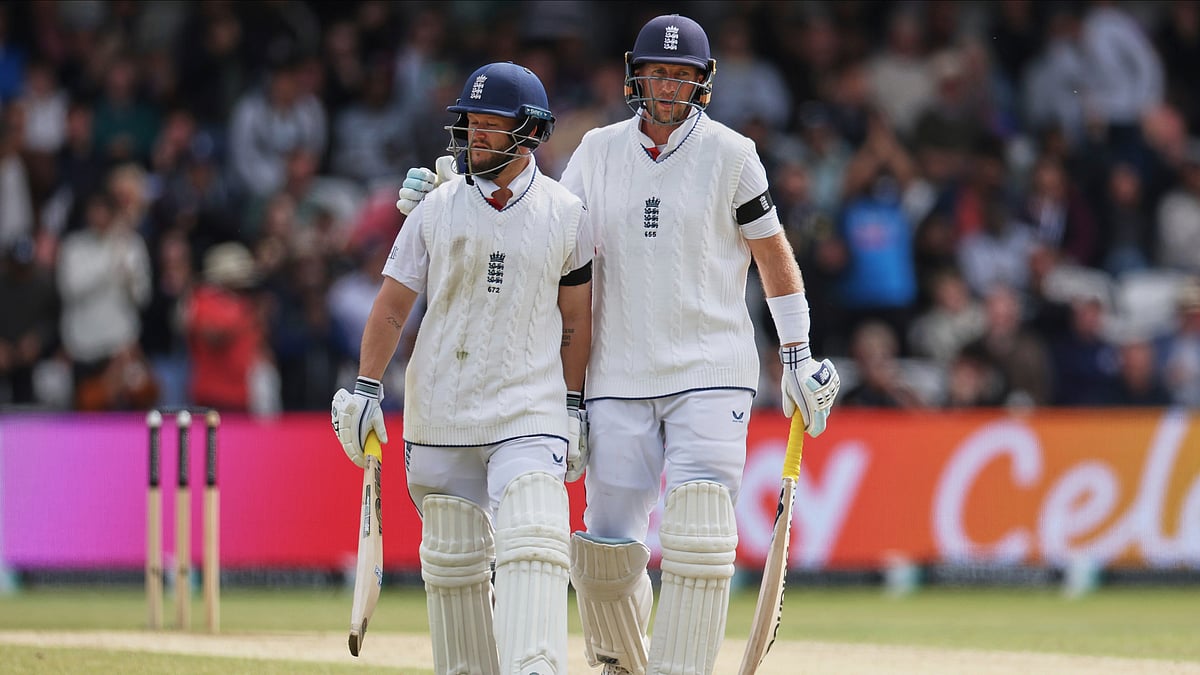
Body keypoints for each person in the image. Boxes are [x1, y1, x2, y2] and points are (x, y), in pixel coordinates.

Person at [397, 15, 840, 675]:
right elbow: (541, 226)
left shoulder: (733, 154)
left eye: (683, 74)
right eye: (659, 72)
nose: (669, 86)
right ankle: (622, 662)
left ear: (703, 83)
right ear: (637, 76)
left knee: (697, 526)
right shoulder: (598, 151)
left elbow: (773, 256)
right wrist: (456, 193)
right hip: (615, 374)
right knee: (602, 554)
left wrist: (798, 352)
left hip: (711, 368)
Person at [331, 61, 592, 675]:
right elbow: (393, 306)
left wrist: (575, 406)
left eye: (489, 127)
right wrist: (366, 387)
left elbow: (576, 319)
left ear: (528, 132)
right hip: (441, 405)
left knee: (533, 529)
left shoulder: (566, 213)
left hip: (530, 406)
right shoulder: (434, 207)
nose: (474, 137)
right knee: (452, 558)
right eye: (469, 125)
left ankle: (536, 666)